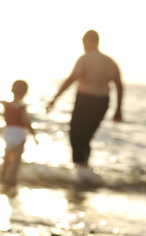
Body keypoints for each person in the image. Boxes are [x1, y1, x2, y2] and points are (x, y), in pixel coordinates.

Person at [46, 30, 123, 169]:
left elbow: (71, 79)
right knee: (86, 137)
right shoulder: (110, 62)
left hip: (85, 101)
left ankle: (80, 168)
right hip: (103, 102)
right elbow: (119, 86)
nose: (84, 46)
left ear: (90, 41)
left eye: (84, 43)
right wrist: (118, 109)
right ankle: (84, 168)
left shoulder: (85, 59)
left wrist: (54, 99)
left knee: (76, 135)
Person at [0, 80, 37, 186]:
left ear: (12, 90)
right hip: (20, 134)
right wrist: (34, 136)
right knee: (16, 161)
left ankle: (2, 176)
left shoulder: (6, 104)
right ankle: (11, 180)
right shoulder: (22, 108)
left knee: (7, 158)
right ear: (25, 93)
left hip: (9, 133)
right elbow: (27, 122)